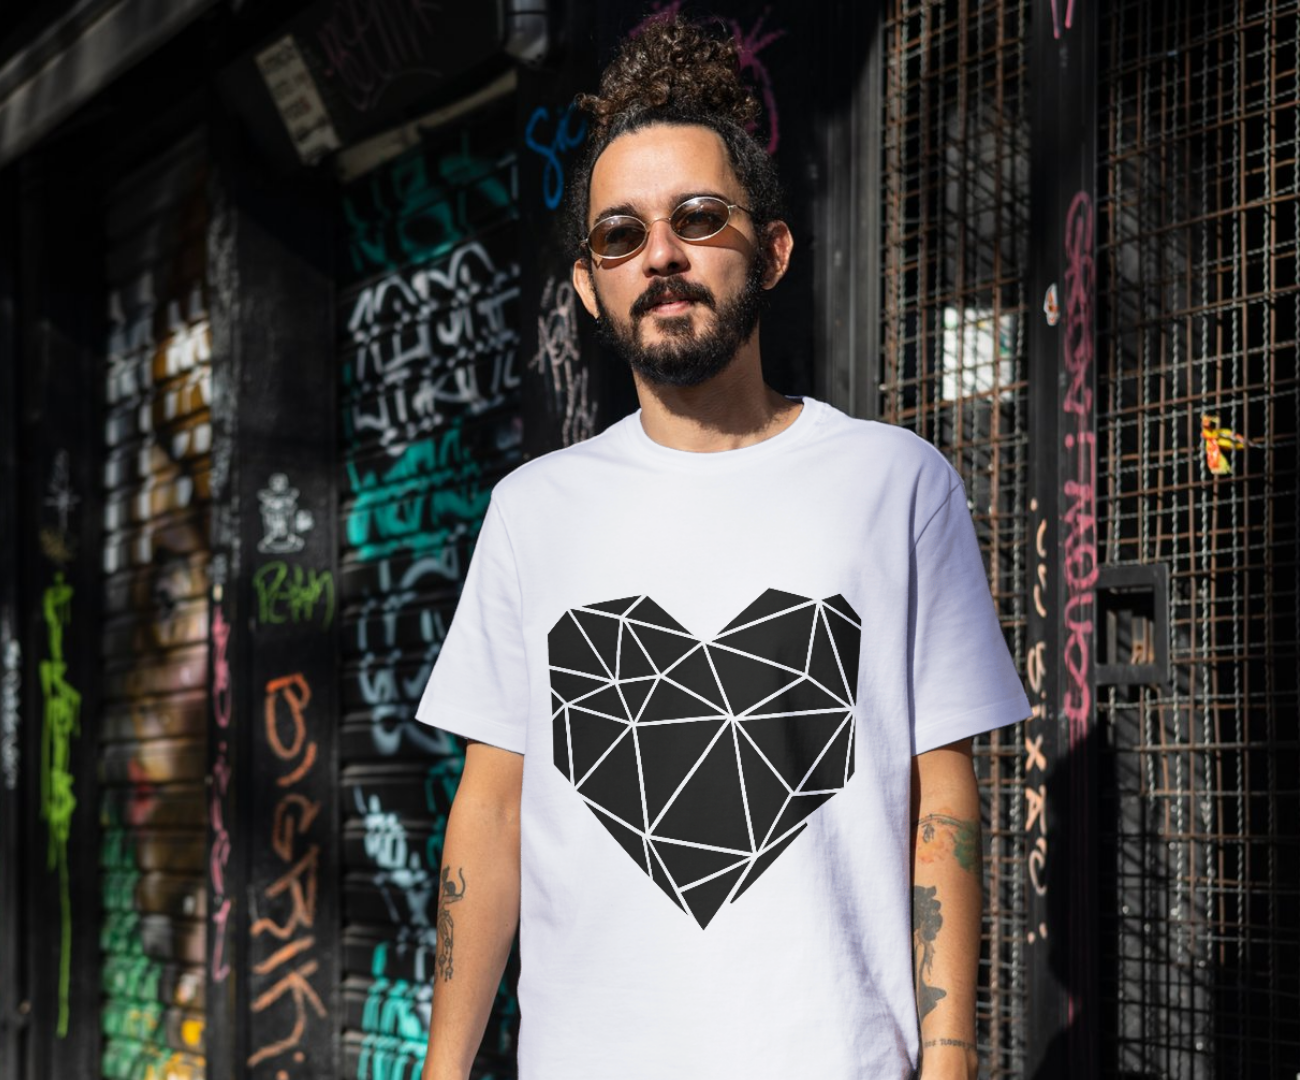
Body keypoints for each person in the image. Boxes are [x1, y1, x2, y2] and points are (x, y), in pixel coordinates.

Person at [415, 16, 1028, 1080]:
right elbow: (492, 809)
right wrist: (443, 1068)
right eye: (620, 235)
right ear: (587, 286)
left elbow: (942, 797)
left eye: (698, 218)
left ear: (773, 250)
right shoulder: (532, 512)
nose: (660, 253)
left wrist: (951, 1059)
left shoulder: (896, 484)